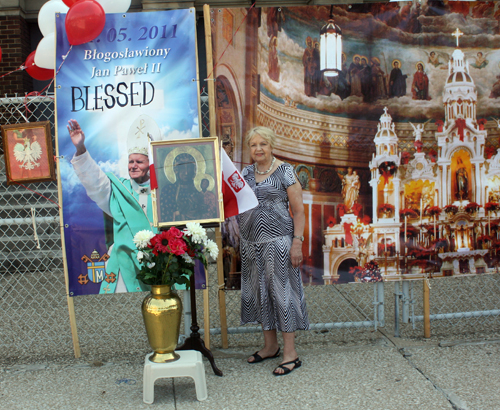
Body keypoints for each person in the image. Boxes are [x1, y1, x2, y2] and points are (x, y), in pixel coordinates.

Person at [240, 126, 309, 376]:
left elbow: (299, 210)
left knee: (282, 295)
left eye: (263, 144)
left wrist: (297, 242)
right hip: (250, 244)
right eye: (253, 145)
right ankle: (270, 346)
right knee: (260, 295)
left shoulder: (285, 171)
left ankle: (291, 353)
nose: (258, 149)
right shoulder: (246, 172)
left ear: (271, 146)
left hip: (278, 243)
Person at [68, 115, 159, 294]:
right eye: (130, 161)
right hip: (123, 263)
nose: (133, 166)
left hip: (159, 261)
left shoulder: (162, 191)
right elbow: (96, 181)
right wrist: (80, 148)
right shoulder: (119, 189)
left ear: (150, 164)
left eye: (139, 162)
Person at [160, 152, 204, 223]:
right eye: (182, 168)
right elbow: (164, 214)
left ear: (194, 171)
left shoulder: (198, 193)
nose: (186, 172)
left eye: (189, 168)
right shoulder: (168, 191)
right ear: (176, 170)